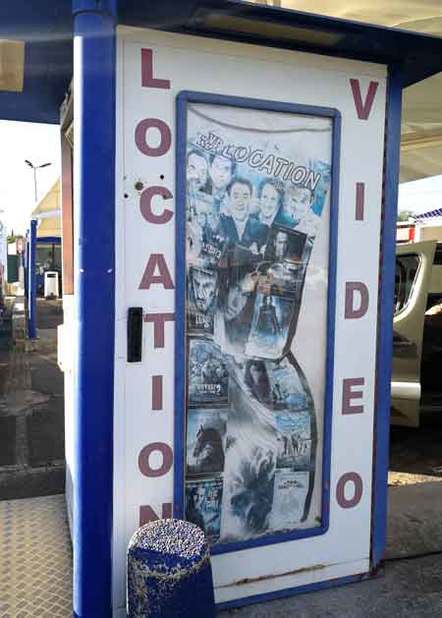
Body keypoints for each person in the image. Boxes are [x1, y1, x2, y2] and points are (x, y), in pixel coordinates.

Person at [218, 178, 268, 252]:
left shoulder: (262, 229)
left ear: (250, 199)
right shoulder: (220, 224)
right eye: (236, 197)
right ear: (229, 199)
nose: (240, 202)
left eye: (245, 197)